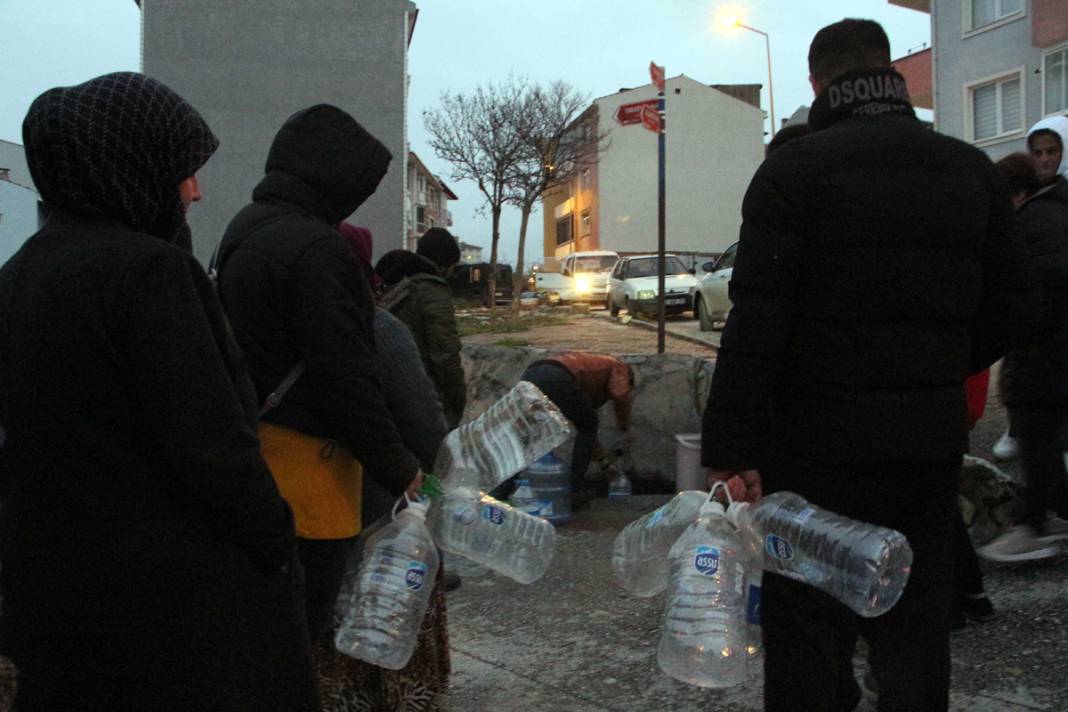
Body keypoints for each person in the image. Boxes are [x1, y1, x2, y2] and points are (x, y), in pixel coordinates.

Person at [700, 19, 1035, 712]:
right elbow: (1016, 309)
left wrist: (731, 449)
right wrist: (935, 367)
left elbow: (757, 323)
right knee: (914, 626)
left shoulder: (793, 173)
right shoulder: (970, 171)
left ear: (818, 82)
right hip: (926, 446)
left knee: (808, 633)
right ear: (892, 74)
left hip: (813, 448)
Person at [0, 73, 317, 710]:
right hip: (169, 612)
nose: (196, 191)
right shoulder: (149, 270)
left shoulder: (19, 275)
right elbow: (213, 445)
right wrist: (276, 543)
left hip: (56, 596)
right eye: (182, 170)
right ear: (130, 162)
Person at [214, 105, 422, 662]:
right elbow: (346, 376)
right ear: (329, 174)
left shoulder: (245, 228)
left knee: (257, 641)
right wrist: (403, 468)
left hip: (254, 459)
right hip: (310, 475)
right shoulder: (317, 249)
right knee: (297, 645)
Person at [315, 223, 452, 712]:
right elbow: (426, 424)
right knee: (391, 619)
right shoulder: (379, 328)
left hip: (310, 509)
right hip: (384, 508)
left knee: (335, 625)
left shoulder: (285, 322)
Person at [979, 143, 1068, 562]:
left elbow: (1034, 295)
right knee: (1047, 438)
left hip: (1044, 354)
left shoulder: (1033, 225)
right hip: (1051, 352)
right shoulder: (1054, 213)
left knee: (1037, 437)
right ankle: (1057, 515)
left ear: (1014, 193)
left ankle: (1031, 525)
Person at [517, 352, 635, 507]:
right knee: (589, 424)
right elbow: (620, 394)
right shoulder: (619, 367)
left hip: (531, 375)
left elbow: (586, 433)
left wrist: (604, 463)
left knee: (527, 434)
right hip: (556, 375)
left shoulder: (583, 386)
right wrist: (624, 426)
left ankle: (501, 491)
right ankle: (573, 490)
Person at [376, 228, 467, 429]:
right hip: (423, 398)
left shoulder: (394, 284)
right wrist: (458, 400)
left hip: (388, 394)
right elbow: (446, 354)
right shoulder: (432, 290)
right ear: (444, 263)